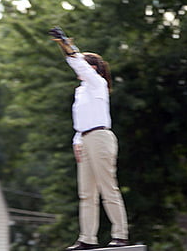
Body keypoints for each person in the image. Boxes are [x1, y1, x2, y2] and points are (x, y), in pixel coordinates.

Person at [48, 27, 129, 250]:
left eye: (84, 64)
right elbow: (81, 120)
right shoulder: (81, 91)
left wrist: (65, 44)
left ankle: (120, 235)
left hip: (101, 137)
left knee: (107, 187)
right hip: (85, 139)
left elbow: (78, 62)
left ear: (93, 68)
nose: (78, 66)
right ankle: (87, 238)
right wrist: (77, 141)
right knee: (86, 193)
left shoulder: (97, 83)